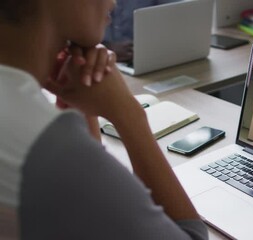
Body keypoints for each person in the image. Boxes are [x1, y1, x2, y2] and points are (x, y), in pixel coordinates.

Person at [0, 0, 207, 239]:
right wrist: (129, 114)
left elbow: (87, 206)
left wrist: (81, 108)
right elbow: (192, 235)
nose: (113, 1)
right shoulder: (47, 147)